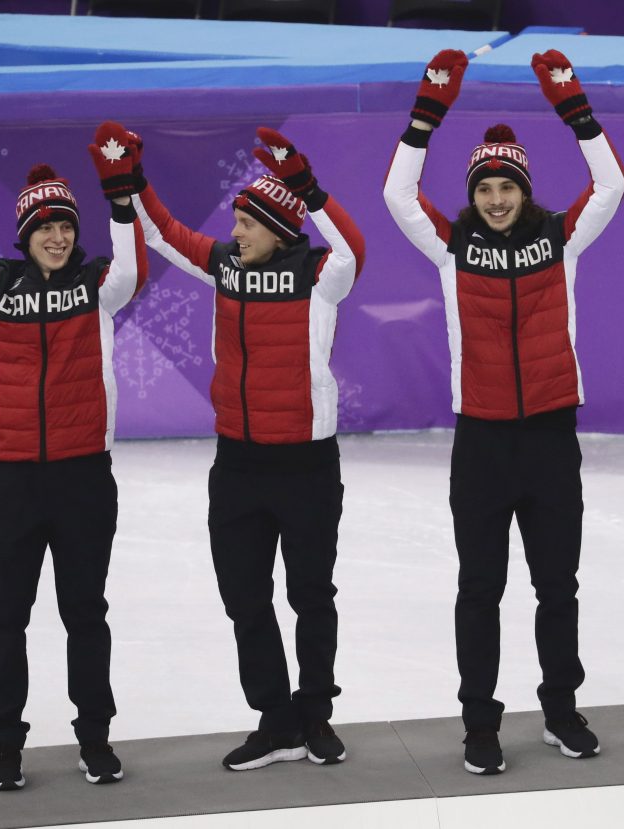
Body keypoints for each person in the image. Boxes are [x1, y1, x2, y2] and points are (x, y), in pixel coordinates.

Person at [384, 48, 624, 775]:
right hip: (483, 444)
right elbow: (398, 194)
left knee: (558, 587)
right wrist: (428, 113)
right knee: (479, 590)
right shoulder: (452, 247)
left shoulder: (561, 240)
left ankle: (560, 709)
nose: (495, 199)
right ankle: (480, 724)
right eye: (485, 187)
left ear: (525, 191)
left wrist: (574, 108)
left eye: (506, 187)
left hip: (551, 438)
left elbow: (612, 181)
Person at [0, 122, 148, 789]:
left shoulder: (98, 287)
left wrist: (119, 191)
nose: (57, 237)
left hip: (83, 479)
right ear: (25, 235)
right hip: (13, 480)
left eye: (66, 226)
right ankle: (6, 742)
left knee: (86, 612)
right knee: (6, 616)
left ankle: (95, 736)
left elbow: (132, 267)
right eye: (45, 227)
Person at [127, 124, 365, 770]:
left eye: (248, 224)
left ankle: (315, 715)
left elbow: (355, 244)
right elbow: (163, 232)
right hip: (237, 462)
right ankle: (276, 717)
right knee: (245, 596)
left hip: (307, 464)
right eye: (236, 222)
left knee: (311, 594)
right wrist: (132, 179)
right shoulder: (225, 268)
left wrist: (308, 187)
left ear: (279, 228)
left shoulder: (320, 276)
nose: (236, 233)